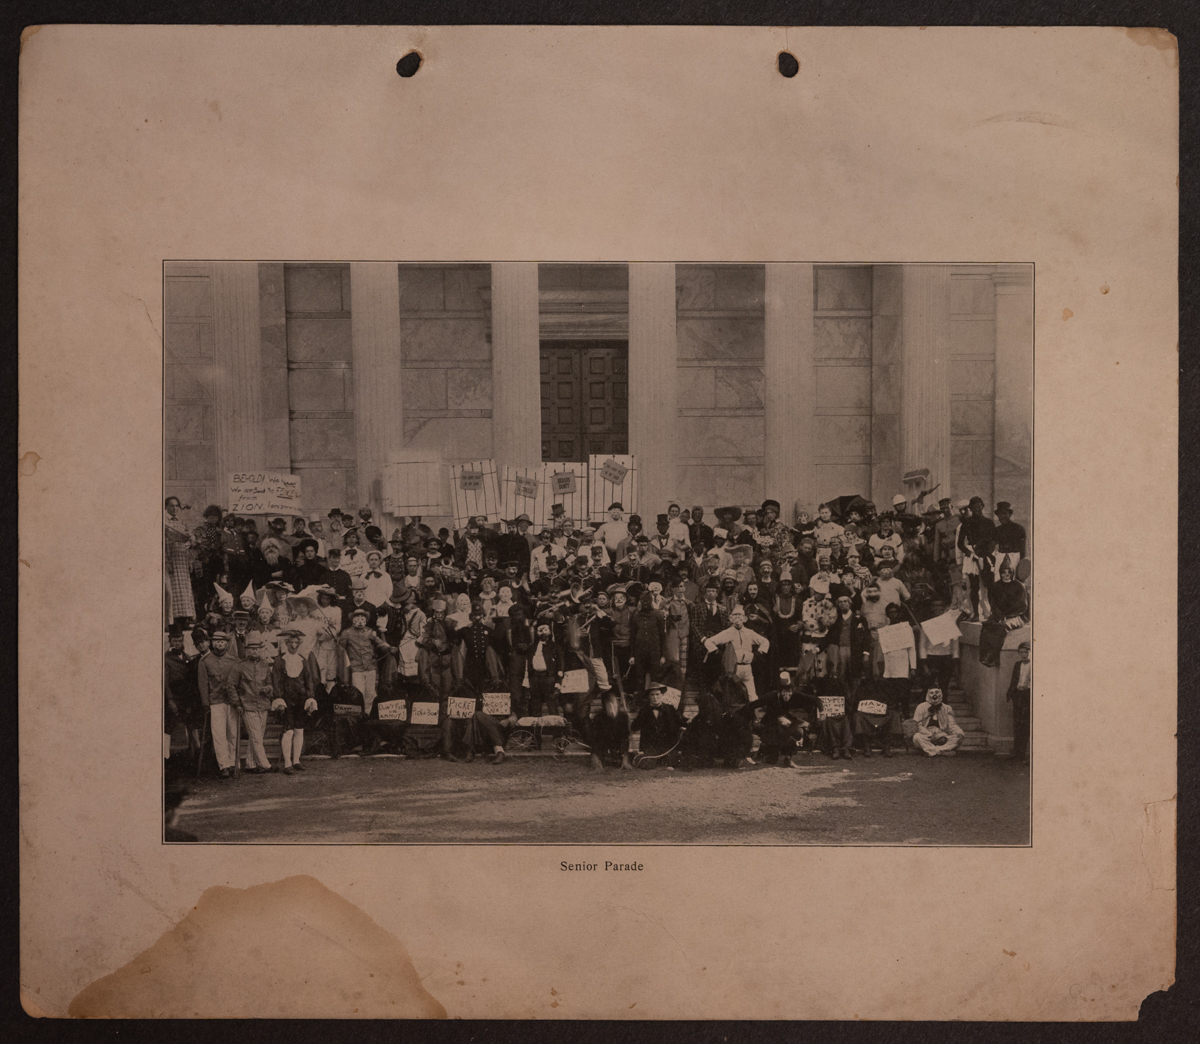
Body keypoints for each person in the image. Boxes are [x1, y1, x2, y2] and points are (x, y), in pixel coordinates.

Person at [271, 629, 319, 774]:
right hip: (286, 700)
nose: (293, 645)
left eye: (296, 643)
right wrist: (279, 698)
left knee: (299, 730)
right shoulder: (279, 661)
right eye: (291, 643)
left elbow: (308, 680)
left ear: (299, 644)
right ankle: (287, 764)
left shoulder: (303, 660)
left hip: (301, 699)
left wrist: (310, 697)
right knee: (288, 731)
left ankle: (296, 760)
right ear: (286, 644)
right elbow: (276, 681)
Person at [196, 630, 242, 780]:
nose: (219, 644)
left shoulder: (234, 660)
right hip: (215, 702)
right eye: (216, 641)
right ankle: (224, 765)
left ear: (226, 643)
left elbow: (239, 681)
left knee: (233, 732)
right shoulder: (205, 661)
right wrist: (205, 703)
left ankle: (234, 761)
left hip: (232, 702)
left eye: (222, 641)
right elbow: (203, 684)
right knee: (219, 734)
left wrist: (238, 700)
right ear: (212, 643)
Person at [703, 605, 770, 701]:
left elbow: (765, 642)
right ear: (731, 618)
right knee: (733, 696)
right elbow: (708, 642)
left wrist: (758, 654)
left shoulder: (749, 632)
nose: (737, 618)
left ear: (745, 618)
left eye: (740, 616)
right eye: (735, 616)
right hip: (733, 669)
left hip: (747, 668)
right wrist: (719, 653)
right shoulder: (728, 632)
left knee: (753, 696)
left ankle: (753, 715)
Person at [337, 608, 396, 715]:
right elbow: (341, 650)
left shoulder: (370, 632)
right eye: (357, 618)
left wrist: (389, 648)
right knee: (359, 693)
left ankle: (367, 714)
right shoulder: (347, 633)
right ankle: (359, 715)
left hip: (370, 667)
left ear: (365, 621)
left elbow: (380, 643)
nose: (360, 621)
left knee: (370, 693)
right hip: (356, 668)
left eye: (362, 619)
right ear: (353, 620)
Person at [230, 635, 276, 773]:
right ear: (246, 650)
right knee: (256, 736)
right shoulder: (239, 666)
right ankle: (265, 764)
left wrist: (268, 689)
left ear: (260, 650)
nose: (254, 652)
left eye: (256, 649)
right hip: (247, 705)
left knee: (256, 736)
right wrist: (237, 703)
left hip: (263, 704)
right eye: (251, 649)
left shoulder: (265, 665)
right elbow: (231, 686)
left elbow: (269, 683)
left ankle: (250, 764)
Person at [979, 562, 1029, 668]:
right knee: (987, 625)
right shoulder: (995, 586)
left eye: (1008, 572)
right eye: (1003, 572)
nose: (1006, 575)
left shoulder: (1019, 586)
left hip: (1018, 616)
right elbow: (994, 604)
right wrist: (999, 615)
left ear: (1012, 573)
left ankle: (993, 657)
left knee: (1002, 626)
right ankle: (985, 656)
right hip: (1000, 615)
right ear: (1000, 573)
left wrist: (1007, 616)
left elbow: (1022, 607)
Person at [757, 670, 808, 767]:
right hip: (775, 726)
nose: (786, 694)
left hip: (789, 724)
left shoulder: (795, 697)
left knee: (799, 732)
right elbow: (771, 713)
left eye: (788, 692)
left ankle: (788, 758)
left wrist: (798, 722)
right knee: (772, 756)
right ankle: (771, 752)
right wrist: (780, 718)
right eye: (784, 691)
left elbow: (797, 712)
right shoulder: (775, 697)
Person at [957, 496, 997, 621]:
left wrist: (987, 552)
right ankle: (976, 615)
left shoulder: (989, 523)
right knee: (974, 587)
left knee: (989, 585)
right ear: (971, 509)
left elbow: (994, 540)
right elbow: (960, 544)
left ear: (982, 507)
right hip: (972, 557)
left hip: (986, 556)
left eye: (979, 507)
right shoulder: (966, 523)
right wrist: (969, 553)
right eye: (974, 508)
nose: (977, 510)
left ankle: (992, 613)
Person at [164, 497, 196, 627]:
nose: (175, 508)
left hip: (182, 560)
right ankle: (173, 620)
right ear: (166, 507)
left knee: (185, 589)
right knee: (173, 590)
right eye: (172, 506)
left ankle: (185, 618)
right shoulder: (164, 523)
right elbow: (163, 544)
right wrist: (167, 561)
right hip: (171, 560)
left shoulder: (182, 523)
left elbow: (189, 537)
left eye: (177, 506)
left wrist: (193, 539)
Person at [852, 675, 903, 758]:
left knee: (895, 715)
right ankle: (866, 745)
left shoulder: (887, 689)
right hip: (868, 715)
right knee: (858, 716)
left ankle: (887, 746)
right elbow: (857, 705)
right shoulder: (863, 689)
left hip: (883, 715)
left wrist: (885, 708)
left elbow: (892, 703)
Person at [632, 682, 683, 765]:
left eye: (657, 694)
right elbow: (634, 727)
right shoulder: (644, 710)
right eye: (652, 695)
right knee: (647, 764)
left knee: (674, 761)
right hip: (651, 746)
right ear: (648, 696)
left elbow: (680, 721)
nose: (655, 697)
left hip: (667, 745)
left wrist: (687, 722)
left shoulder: (670, 709)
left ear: (662, 695)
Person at [588, 687, 632, 772]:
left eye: (614, 703)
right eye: (609, 704)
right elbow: (595, 740)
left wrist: (625, 758)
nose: (612, 707)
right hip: (603, 743)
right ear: (604, 705)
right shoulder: (598, 718)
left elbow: (625, 738)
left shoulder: (623, 716)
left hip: (617, 743)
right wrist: (596, 759)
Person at [912, 687, 965, 757]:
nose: (934, 695)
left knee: (957, 738)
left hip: (941, 736)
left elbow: (952, 725)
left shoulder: (947, 708)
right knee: (917, 737)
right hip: (926, 735)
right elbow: (917, 725)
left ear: (940, 694)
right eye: (932, 693)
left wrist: (959, 733)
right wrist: (930, 735)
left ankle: (931, 751)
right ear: (928, 695)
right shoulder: (921, 707)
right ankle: (941, 751)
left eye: (936, 692)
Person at [1004, 640, 1032, 762]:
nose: (1023, 655)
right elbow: (1014, 680)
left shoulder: (1035, 665)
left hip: (1029, 695)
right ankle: (1017, 752)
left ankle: (1024, 754)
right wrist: (1011, 694)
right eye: (1021, 652)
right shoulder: (1017, 664)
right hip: (1018, 695)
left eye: (1026, 652)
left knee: (1026, 724)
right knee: (1017, 723)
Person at [992, 502, 1027, 580]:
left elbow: (1022, 551)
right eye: (999, 515)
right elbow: (992, 546)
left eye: (1004, 513)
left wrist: (1021, 568)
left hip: (1015, 560)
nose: (1002, 516)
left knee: (1014, 584)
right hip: (1000, 560)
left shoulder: (1019, 529)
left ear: (1009, 514)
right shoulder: (997, 530)